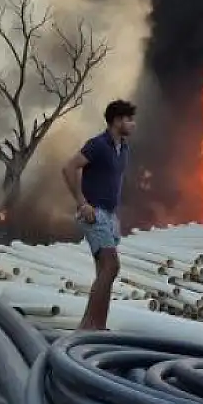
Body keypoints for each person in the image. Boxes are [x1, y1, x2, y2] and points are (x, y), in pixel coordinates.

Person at [62, 99, 136, 331]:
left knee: (104, 271)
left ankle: (98, 327)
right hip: (94, 213)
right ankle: (88, 326)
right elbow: (69, 167)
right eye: (128, 119)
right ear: (116, 121)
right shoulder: (98, 145)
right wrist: (82, 204)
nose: (132, 124)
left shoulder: (123, 148)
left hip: (110, 216)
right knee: (111, 266)